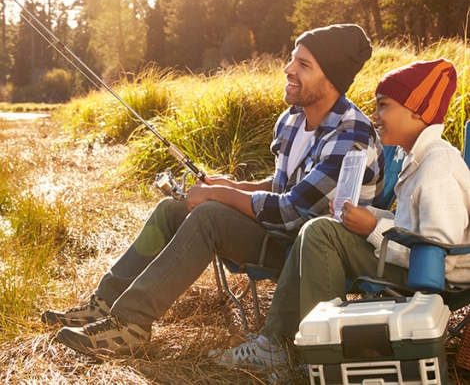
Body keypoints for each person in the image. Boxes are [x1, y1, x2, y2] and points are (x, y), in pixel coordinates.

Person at [41, 23, 384, 356]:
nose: (288, 68)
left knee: (209, 216)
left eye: (303, 65)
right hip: (278, 234)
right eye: (293, 58)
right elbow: (281, 186)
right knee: (171, 211)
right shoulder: (293, 119)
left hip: (306, 253)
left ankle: (128, 326)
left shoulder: (350, 133)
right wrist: (231, 185)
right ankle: (103, 304)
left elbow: (292, 212)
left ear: (332, 79)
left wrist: (220, 196)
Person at [214, 58, 470, 370]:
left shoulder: (437, 169)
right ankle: (280, 342)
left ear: (417, 110)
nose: (374, 115)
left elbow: (439, 256)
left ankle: (321, 355)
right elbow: (411, 229)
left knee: (322, 234)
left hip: (433, 279)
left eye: (384, 105)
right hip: (412, 262)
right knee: (318, 228)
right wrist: (369, 217)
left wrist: (374, 227)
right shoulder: (416, 158)